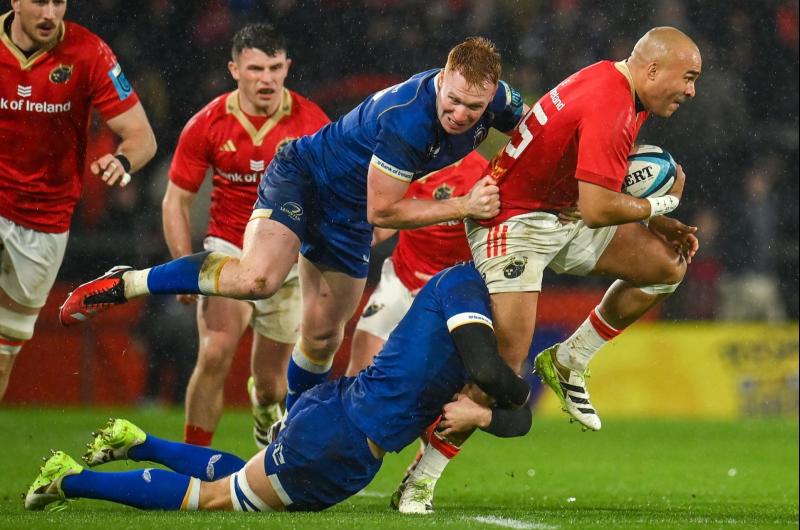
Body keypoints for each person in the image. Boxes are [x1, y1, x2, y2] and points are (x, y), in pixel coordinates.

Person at [59, 37, 525, 413]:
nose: (462, 115)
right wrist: (467, 204)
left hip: (348, 213)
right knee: (257, 279)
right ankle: (130, 281)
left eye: (475, 107)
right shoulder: (407, 121)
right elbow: (382, 212)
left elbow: (534, 131)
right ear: (440, 79)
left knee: (323, 336)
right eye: (456, 100)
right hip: (305, 179)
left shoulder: (497, 99)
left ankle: (295, 430)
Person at [394, 26, 702, 513]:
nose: (690, 90)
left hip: (560, 212)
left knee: (667, 265)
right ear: (652, 69)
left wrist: (659, 221)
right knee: (504, 368)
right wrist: (663, 201)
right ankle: (420, 480)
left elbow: (590, 190)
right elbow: (600, 207)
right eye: (687, 77)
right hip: (512, 221)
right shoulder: (612, 103)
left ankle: (568, 360)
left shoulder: (614, 83)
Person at [25, 262, 532, 513]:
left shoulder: (482, 315)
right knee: (216, 499)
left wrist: (483, 416)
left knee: (249, 479)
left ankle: (136, 443)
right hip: (338, 440)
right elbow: (492, 379)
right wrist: (508, 395)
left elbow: (516, 416)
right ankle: (67, 480)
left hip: (342, 429)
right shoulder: (465, 287)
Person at [161, 23, 329, 448]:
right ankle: (191, 461)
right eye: (256, 68)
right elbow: (175, 201)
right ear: (234, 69)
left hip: (287, 258)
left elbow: (332, 195)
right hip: (229, 248)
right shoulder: (207, 123)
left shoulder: (312, 122)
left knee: (273, 384)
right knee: (215, 352)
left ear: (288, 67)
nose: (267, 78)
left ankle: (263, 406)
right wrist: (184, 264)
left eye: (275, 67)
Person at [0, 0, 156, 400]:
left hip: (43, 221)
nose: (51, 13)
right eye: (39, 2)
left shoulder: (89, 53)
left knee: (4, 352)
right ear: (16, 1)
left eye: (59, 2)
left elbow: (142, 136)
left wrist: (122, 160)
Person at [346, 150, 487, 375]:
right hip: (400, 279)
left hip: (446, 296)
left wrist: (449, 284)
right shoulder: (407, 159)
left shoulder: (481, 177)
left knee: (432, 387)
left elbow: (491, 250)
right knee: (359, 373)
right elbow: (385, 221)